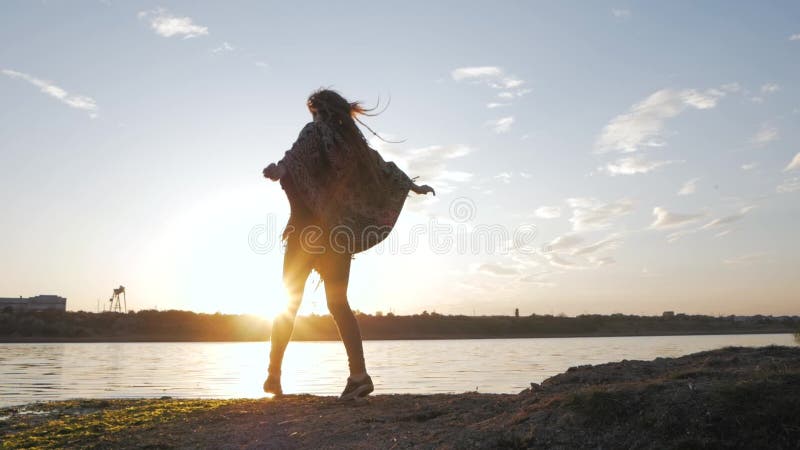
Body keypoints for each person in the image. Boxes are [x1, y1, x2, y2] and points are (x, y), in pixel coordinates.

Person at [261, 89, 434, 400]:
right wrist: (413, 186)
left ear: (317, 110)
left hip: (306, 233)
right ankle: (359, 375)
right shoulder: (353, 146)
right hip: (338, 236)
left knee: (289, 302)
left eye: (312, 111)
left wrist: (279, 170)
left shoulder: (314, 131)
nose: (311, 116)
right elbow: (384, 170)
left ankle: (274, 375)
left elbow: (295, 157)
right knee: (338, 304)